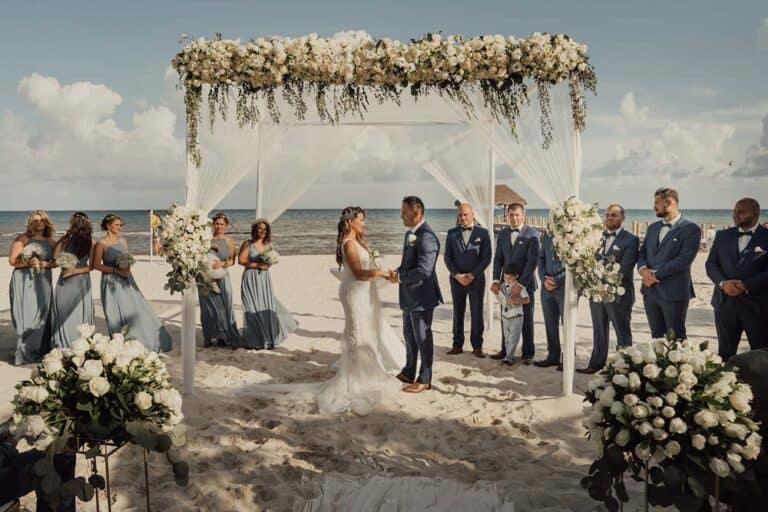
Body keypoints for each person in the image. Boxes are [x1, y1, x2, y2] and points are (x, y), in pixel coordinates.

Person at [243, 207, 405, 415]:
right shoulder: (348, 243)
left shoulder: (357, 241)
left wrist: (378, 268)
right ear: (350, 222)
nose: (364, 223)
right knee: (358, 334)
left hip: (362, 292)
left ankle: (363, 374)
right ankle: (355, 379)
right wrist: (381, 272)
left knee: (366, 333)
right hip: (355, 293)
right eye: (361, 220)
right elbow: (358, 272)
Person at [387, 196, 443, 393]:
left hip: (422, 297)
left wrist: (401, 277)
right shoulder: (410, 234)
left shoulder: (427, 236)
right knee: (409, 336)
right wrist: (395, 272)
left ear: (417, 213)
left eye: (404, 212)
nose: (401, 215)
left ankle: (425, 378)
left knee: (423, 337)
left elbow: (424, 270)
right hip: (409, 296)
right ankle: (409, 371)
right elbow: (408, 264)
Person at [93, 214, 171, 352]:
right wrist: (116, 271)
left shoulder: (123, 241)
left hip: (127, 279)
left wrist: (127, 268)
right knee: (114, 312)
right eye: (117, 225)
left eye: (120, 225)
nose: (119, 227)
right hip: (110, 281)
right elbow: (96, 265)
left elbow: (128, 258)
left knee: (135, 307)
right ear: (108, 225)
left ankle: (137, 340)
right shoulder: (101, 244)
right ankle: (119, 343)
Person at [578, 204, 640, 374]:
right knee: (598, 329)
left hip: (619, 294)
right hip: (596, 292)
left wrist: (600, 275)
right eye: (607, 215)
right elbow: (588, 261)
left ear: (622, 218)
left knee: (622, 331)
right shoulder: (597, 237)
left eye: (614, 215)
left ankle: (624, 367)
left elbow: (625, 268)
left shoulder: (631, 240)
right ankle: (596, 363)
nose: (610, 218)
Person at [705, 198, 768, 359]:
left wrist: (744, 285)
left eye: (741, 212)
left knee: (760, 355)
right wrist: (723, 283)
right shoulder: (722, 236)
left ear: (755, 213)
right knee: (725, 355)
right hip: (724, 304)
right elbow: (711, 264)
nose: (736, 215)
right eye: (734, 211)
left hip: (757, 306)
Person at [637, 188, 701, 340]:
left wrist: (654, 274)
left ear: (669, 203)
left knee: (676, 338)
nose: (654, 206)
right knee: (656, 337)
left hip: (674, 291)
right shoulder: (653, 228)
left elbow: (683, 260)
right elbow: (643, 252)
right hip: (649, 290)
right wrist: (643, 270)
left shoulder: (691, 229)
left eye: (657, 202)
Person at [490, 203, 540, 363]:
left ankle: (528, 353)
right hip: (505, 285)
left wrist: (520, 284)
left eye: (517, 214)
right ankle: (506, 350)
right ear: (506, 216)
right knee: (506, 318)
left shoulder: (532, 234)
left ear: (523, 215)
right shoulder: (503, 233)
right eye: (511, 214)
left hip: (525, 285)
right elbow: (498, 258)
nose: (514, 218)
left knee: (526, 319)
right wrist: (496, 280)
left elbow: (532, 262)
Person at [239, 219, 297, 349]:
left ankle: (266, 338)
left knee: (264, 304)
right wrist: (257, 264)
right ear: (255, 229)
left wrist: (268, 264)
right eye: (260, 228)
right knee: (251, 306)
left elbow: (272, 260)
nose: (262, 231)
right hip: (250, 277)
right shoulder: (248, 243)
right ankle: (254, 339)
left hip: (264, 279)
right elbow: (241, 260)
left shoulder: (269, 245)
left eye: (265, 229)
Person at [8, 210, 56, 365]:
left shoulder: (50, 241)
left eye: (42, 220)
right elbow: (12, 261)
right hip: (24, 281)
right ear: (30, 223)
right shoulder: (22, 239)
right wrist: (27, 262)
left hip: (43, 282)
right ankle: (24, 351)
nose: (39, 223)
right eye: (35, 220)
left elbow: (57, 261)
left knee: (43, 316)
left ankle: (40, 349)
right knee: (27, 315)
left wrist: (45, 264)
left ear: (46, 223)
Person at [444, 203, 492, 358]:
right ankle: (457, 345)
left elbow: (486, 258)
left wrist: (472, 275)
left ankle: (477, 346)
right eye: (460, 215)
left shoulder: (483, 233)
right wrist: (457, 275)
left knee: (477, 313)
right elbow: (447, 258)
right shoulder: (451, 234)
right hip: (456, 280)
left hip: (476, 280)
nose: (463, 218)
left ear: (473, 215)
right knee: (458, 313)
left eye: (465, 214)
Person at [50, 212, 95, 348]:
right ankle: (67, 343)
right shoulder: (67, 239)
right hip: (69, 279)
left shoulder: (91, 242)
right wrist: (62, 239)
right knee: (65, 310)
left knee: (72, 311)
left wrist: (73, 271)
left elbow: (92, 266)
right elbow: (56, 258)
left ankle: (73, 344)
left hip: (77, 279)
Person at [198, 212, 241, 348]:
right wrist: (208, 247)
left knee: (224, 306)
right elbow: (197, 255)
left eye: (222, 224)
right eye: (217, 223)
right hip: (205, 277)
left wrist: (221, 264)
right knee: (208, 308)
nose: (219, 226)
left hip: (222, 276)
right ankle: (209, 336)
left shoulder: (229, 241)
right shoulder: (205, 240)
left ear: (226, 226)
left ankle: (223, 336)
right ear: (213, 224)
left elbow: (232, 261)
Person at [532, 231, 565, 369]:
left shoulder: (575, 233)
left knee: (567, 323)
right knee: (550, 323)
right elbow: (540, 258)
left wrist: (558, 280)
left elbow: (576, 264)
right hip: (546, 287)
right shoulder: (546, 235)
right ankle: (553, 356)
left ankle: (567, 358)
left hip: (564, 287)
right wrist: (543, 278)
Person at [494, 264, 530, 366]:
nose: (507, 280)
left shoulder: (519, 287)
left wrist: (516, 301)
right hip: (505, 316)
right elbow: (501, 299)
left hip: (516, 316)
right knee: (507, 337)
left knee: (514, 337)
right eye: (505, 277)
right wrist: (497, 295)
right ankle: (508, 355)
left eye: (510, 278)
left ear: (516, 276)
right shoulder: (501, 286)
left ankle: (508, 358)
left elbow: (527, 299)